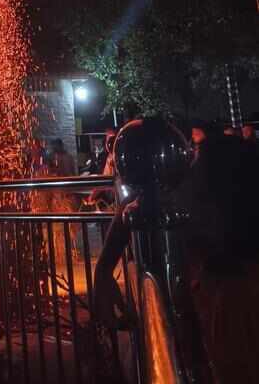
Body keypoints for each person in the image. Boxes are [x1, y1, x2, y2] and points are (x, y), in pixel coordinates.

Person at [94, 131, 259, 383]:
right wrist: (104, 267)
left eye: (194, 170)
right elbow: (145, 201)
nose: (183, 184)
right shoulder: (211, 258)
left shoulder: (233, 296)